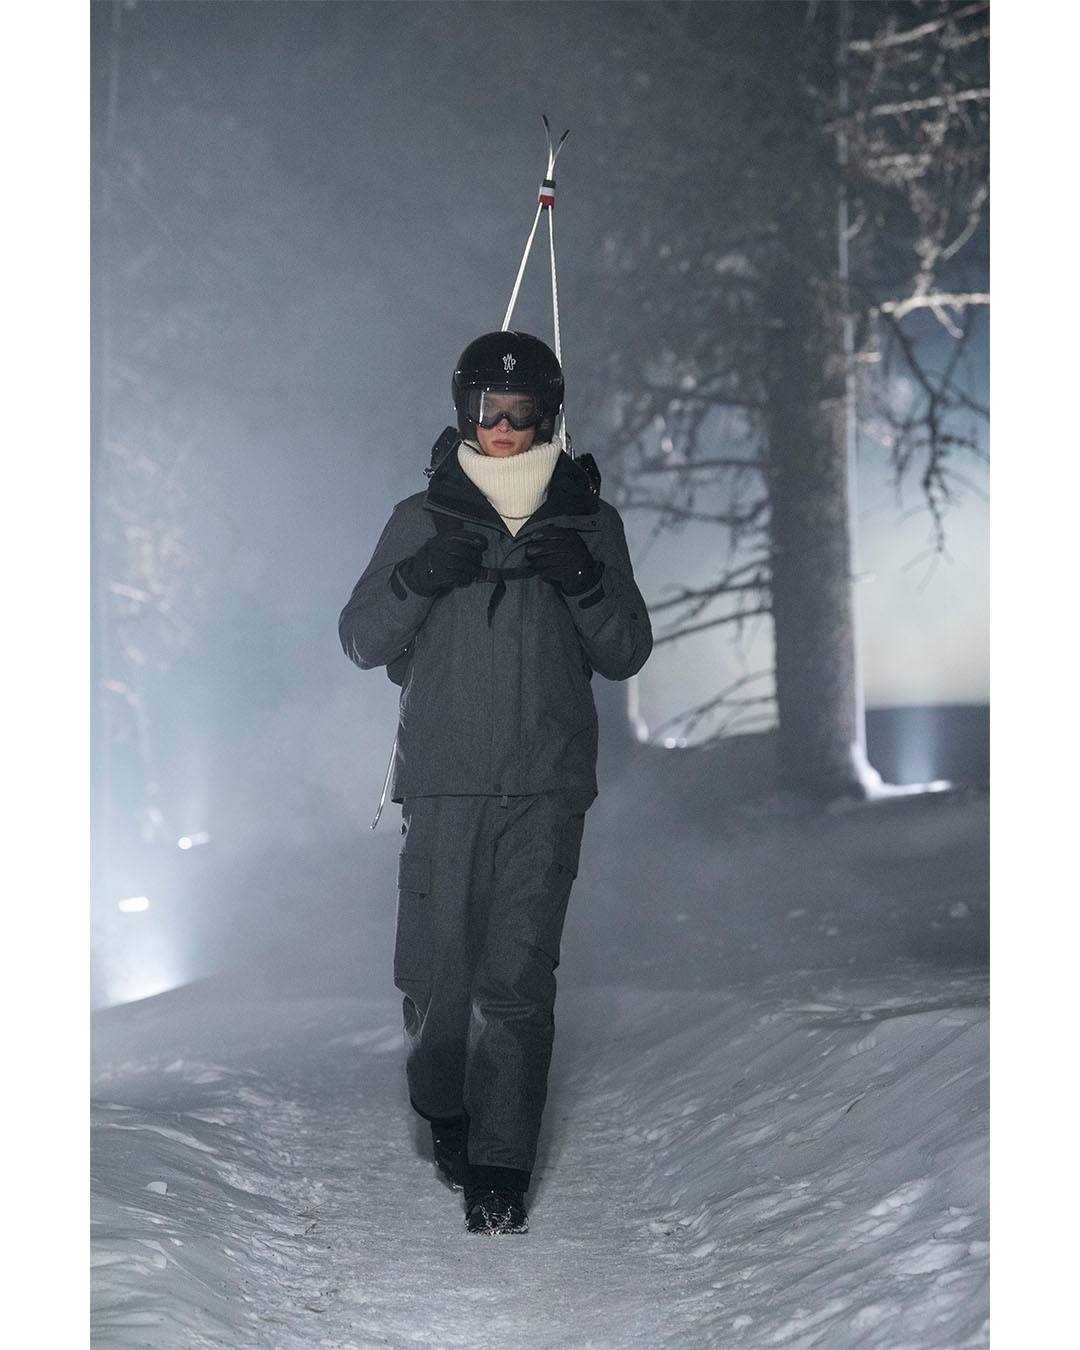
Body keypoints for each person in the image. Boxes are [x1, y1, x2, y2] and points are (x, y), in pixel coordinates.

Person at [338, 330, 652, 1234]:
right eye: (488, 409)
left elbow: (626, 651)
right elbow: (362, 639)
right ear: (464, 412)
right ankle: (446, 1111)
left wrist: (586, 582)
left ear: (549, 416)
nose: (504, 427)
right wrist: (417, 577)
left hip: (546, 786)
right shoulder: (423, 516)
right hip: (446, 780)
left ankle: (500, 1171)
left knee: (517, 981)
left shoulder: (588, 522)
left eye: (521, 411)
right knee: (439, 978)